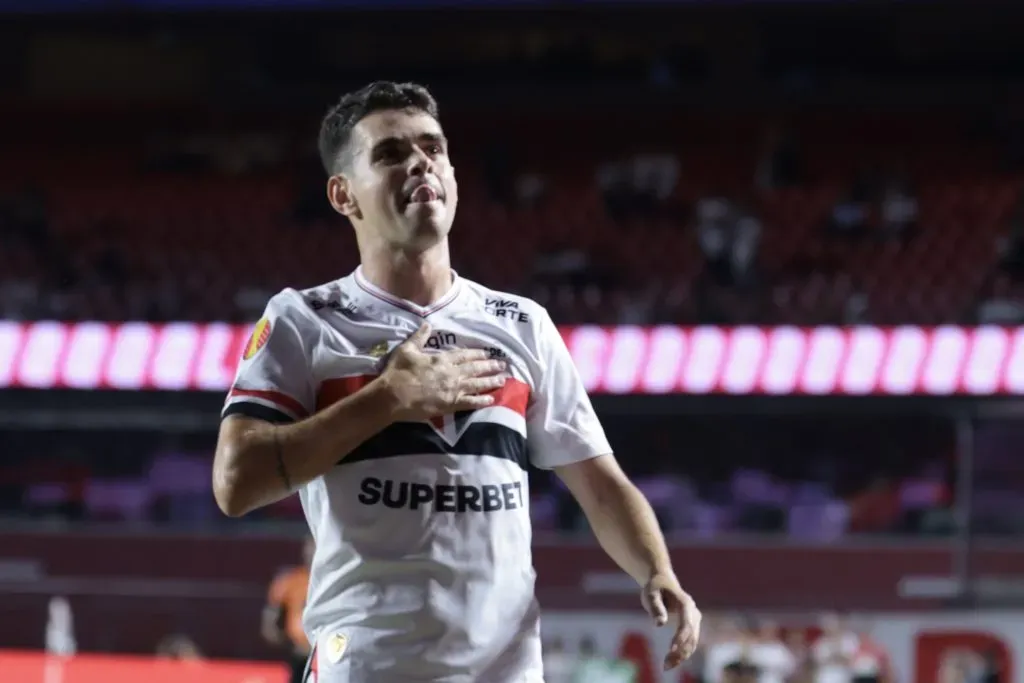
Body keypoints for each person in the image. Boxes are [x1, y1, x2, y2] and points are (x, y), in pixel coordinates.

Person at [212, 80, 701, 683]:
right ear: (344, 195)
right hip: (367, 668)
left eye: (433, 147)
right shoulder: (304, 320)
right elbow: (235, 483)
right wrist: (386, 400)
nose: (420, 161)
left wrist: (656, 571)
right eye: (390, 153)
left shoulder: (523, 323)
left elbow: (598, 481)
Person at [262, 536, 315, 683]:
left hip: (328, 650)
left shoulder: (335, 582)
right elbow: (273, 615)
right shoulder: (291, 580)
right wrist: (277, 634)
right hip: (300, 651)